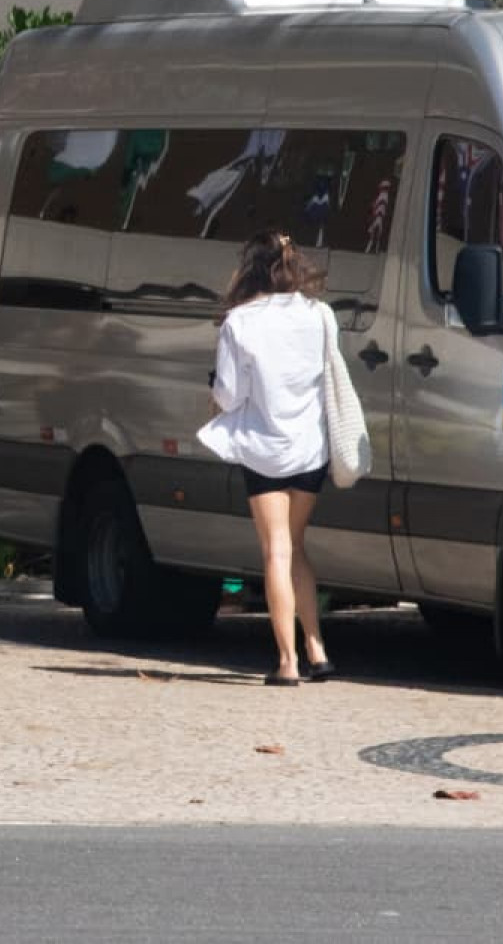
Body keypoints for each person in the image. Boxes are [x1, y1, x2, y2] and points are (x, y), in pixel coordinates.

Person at [197, 229, 336, 687]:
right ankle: (317, 649)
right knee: (296, 544)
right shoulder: (320, 315)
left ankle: (287, 661)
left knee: (276, 549)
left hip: (264, 449)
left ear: (250, 269)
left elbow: (229, 394)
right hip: (310, 448)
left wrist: (216, 389)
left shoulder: (240, 322)